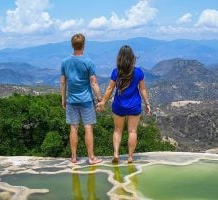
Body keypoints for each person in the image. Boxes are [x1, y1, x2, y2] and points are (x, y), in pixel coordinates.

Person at [97, 45, 151, 163]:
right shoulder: (138, 72)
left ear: (120, 58)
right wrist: (147, 103)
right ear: (132, 58)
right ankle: (130, 157)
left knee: (117, 130)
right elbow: (142, 89)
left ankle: (116, 154)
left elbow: (110, 89)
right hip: (134, 105)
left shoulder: (116, 72)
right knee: (132, 131)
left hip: (119, 105)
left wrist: (103, 102)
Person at [60, 33, 102, 165]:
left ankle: (73, 157)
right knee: (88, 128)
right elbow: (94, 83)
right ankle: (91, 158)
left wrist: (63, 98)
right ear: (84, 45)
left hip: (71, 100)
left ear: (72, 45)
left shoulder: (65, 62)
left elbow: (62, 82)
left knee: (74, 128)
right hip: (86, 100)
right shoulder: (89, 62)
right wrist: (100, 99)